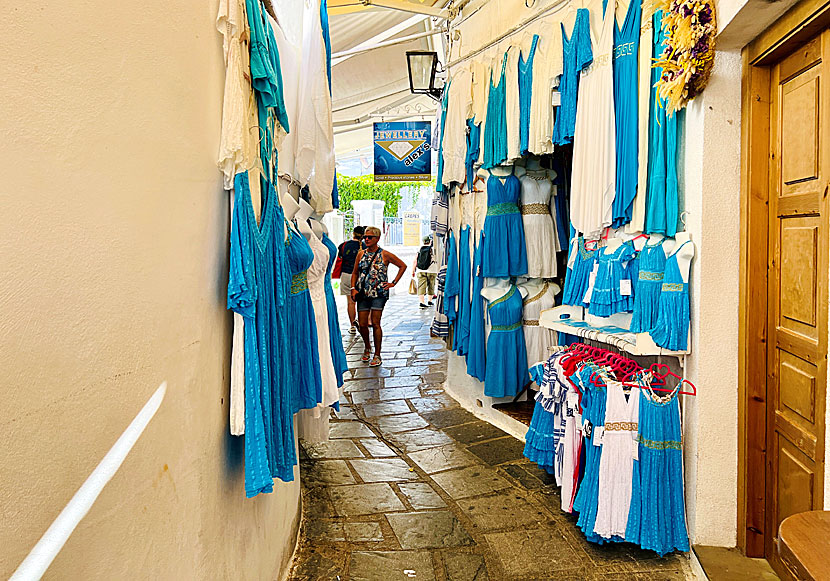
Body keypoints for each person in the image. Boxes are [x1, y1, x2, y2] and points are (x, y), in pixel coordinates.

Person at [350, 226, 406, 367]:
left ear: (377, 238)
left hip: (378, 294)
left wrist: (393, 283)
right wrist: (353, 288)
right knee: (362, 324)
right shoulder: (361, 254)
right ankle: (367, 347)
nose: (366, 239)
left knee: (376, 323)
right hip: (363, 293)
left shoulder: (385, 254)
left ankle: (377, 354)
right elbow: (355, 272)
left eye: (369, 237)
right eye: (365, 237)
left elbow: (402, 266)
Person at [338, 225, 364, 333]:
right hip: (361, 276)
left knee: (350, 302)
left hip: (346, 275)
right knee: (362, 302)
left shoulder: (344, 245)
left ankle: (352, 325)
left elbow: (339, 258)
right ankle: (363, 324)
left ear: (353, 233)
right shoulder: (366, 246)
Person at [412, 235, 437, 308]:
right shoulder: (432, 249)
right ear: (430, 241)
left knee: (421, 286)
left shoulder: (419, 249)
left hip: (420, 270)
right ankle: (429, 301)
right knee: (431, 285)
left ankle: (421, 302)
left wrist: (413, 271)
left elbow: (415, 261)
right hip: (432, 270)